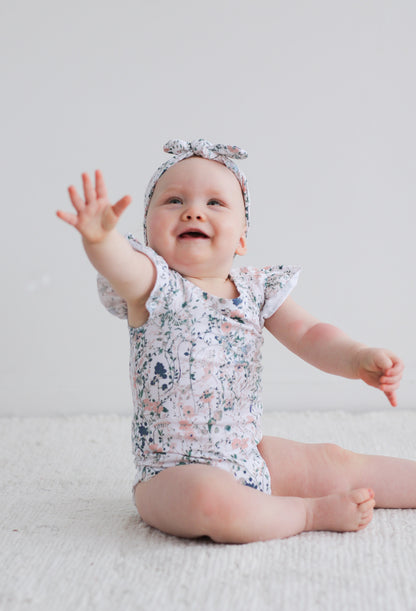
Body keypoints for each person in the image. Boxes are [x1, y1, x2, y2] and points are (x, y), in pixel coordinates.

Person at [57, 138, 413, 544]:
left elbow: (311, 333)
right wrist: (101, 240)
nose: (193, 210)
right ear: (146, 234)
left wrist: (357, 357)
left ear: (242, 239)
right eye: (173, 200)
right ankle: (307, 513)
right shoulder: (154, 286)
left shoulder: (256, 289)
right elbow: (121, 265)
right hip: (172, 475)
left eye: (215, 203)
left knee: (334, 460)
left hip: (250, 457)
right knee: (210, 500)